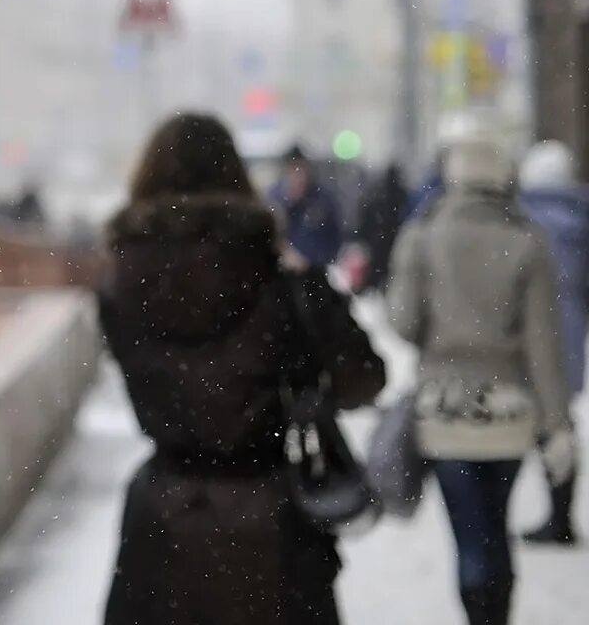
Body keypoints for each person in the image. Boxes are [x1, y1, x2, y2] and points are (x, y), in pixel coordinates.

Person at [100, 113, 385, 625]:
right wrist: (311, 293)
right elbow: (362, 378)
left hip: (161, 529)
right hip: (271, 530)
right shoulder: (277, 280)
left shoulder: (120, 286)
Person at [388, 133, 576, 624]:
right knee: (496, 527)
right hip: (509, 412)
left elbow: (404, 322)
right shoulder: (528, 240)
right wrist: (558, 424)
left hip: (445, 412)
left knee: (470, 536)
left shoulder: (423, 235)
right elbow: (544, 344)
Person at [516, 140, 589, 545]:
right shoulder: (582, 217)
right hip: (571, 336)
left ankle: (555, 517)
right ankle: (561, 512)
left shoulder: (523, 220)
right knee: (559, 422)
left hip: (533, 336)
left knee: (531, 424)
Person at [270, 144, 344, 271]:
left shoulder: (322, 200)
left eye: (301, 170)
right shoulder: (274, 199)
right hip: (282, 272)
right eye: (293, 170)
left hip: (316, 272)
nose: (298, 177)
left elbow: (334, 239)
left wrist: (309, 261)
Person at [351, 163, 409, 294]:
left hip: (379, 254)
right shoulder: (401, 199)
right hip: (392, 252)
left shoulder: (375, 199)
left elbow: (363, 229)